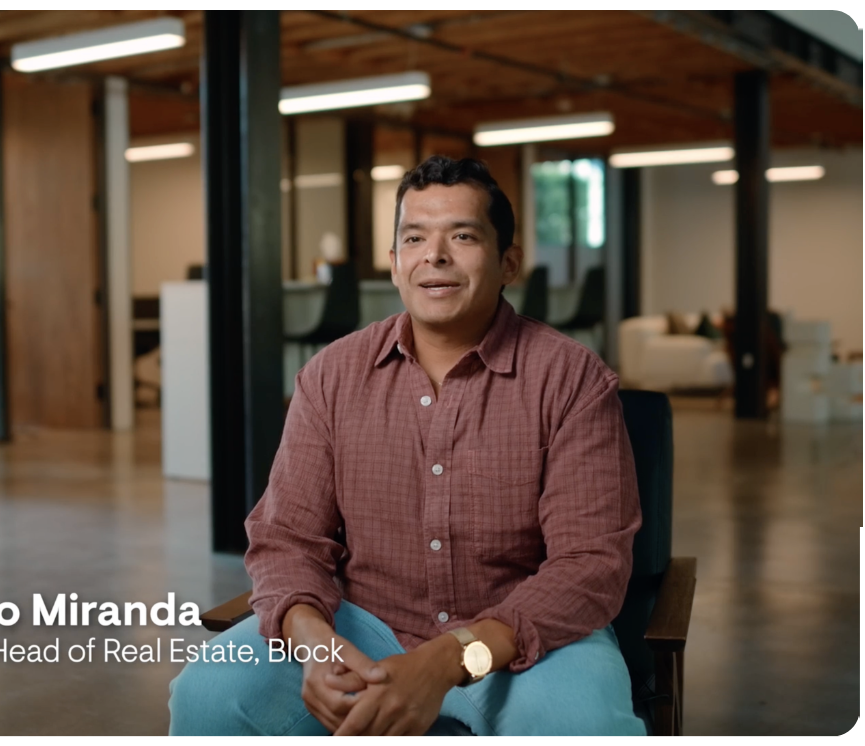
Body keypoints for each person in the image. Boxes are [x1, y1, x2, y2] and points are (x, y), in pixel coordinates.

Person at [169, 156, 644, 736]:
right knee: (209, 694)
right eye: (414, 238)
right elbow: (286, 538)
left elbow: (589, 565)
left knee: (582, 725)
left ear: (508, 262)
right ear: (395, 265)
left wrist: (446, 659)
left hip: (517, 639)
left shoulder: (571, 380)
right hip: (361, 625)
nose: (434, 256)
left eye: (462, 236)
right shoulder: (331, 376)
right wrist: (315, 642)